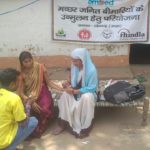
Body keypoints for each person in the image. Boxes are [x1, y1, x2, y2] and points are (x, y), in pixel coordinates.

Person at [53, 48, 98, 138]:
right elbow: (73, 82)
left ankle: (85, 127)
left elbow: (92, 88)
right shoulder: (74, 68)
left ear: (83, 60)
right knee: (65, 95)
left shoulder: (91, 70)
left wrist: (75, 91)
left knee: (87, 97)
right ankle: (63, 123)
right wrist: (67, 83)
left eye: (76, 61)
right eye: (72, 60)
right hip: (76, 93)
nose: (73, 63)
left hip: (87, 93)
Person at [18, 51, 63, 138]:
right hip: (29, 95)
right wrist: (30, 101)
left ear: (32, 59)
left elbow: (49, 83)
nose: (28, 63)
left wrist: (62, 89)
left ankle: (40, 127)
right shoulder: (21, 73)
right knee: (27, 109)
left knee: (44, 108)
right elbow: (21, 92)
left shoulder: (40, 67)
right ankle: (29, 130)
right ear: (21, 63)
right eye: (25, 62)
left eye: (30, 60)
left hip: (42, 92)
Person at [0, 68, 38, 150]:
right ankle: (9, 147)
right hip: (2, 141)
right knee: (33, 121)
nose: (19, 84)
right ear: (12, 84)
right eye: (18, 82)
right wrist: (28, 105)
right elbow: (23, 123)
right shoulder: (13, 98)